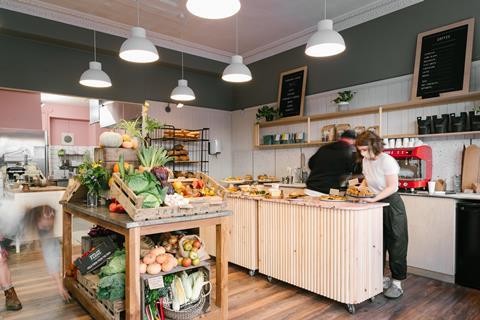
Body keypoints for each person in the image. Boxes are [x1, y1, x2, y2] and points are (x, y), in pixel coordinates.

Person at [356, 131, 408, 299]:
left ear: (374, 146)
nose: (362, 153)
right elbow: (367, 179)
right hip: (376, 203)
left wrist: (373, 199)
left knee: (396, 243)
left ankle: (397, 283)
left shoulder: (387, 161)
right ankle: (379, 278)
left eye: (364, 149)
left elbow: (392, 186)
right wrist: (361, 188)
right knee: (377, 243)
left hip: (392, 204)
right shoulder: (365, 160)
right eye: (360, 150)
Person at [306, 130, 360, 195]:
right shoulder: (349, 152)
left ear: (341, 138)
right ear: (354, 141)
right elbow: (354, 174)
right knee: (338, 198)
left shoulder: (324, 148)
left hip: (310, 189)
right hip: (327, 192)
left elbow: (310, 164)